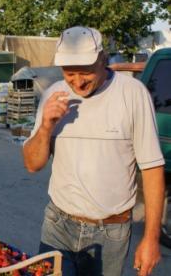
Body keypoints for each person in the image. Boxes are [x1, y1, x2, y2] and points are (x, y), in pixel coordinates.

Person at [23, 26, 165, 276]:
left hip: (111, 232)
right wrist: (46, 127)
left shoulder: (132, 94)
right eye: (69, 73)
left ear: (102, 58)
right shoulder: (52, 96)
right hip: (58, 225)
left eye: (86, 72)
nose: (77, 82)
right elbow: (32, 165)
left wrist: (151, 239)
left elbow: (152, 169)